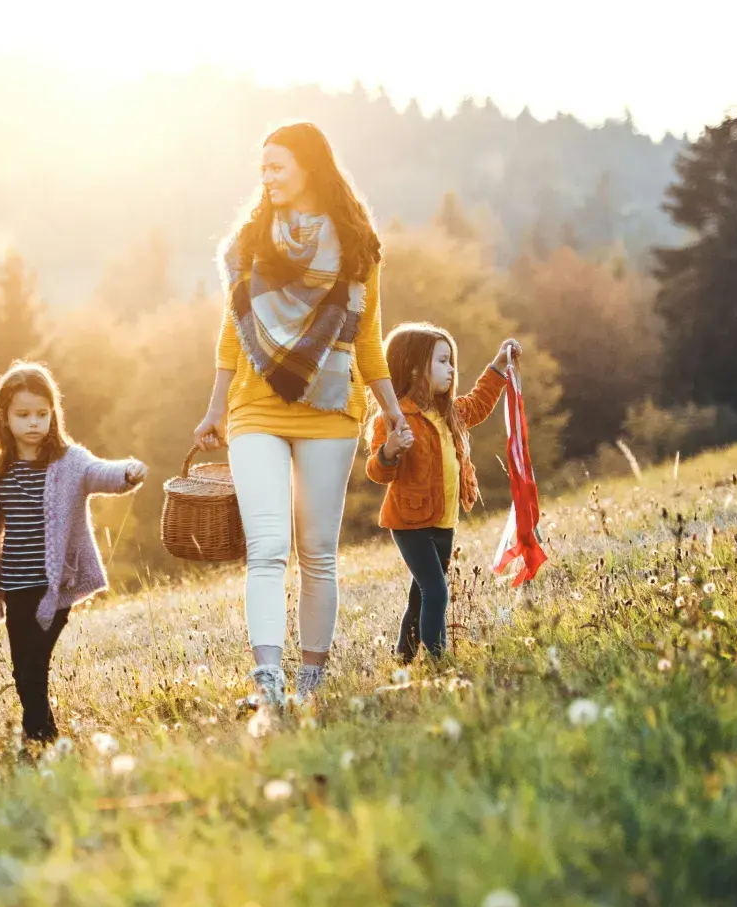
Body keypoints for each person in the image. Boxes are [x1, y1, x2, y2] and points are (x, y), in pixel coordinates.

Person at [192, 122, 412, 707]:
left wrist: (393, 413)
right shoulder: (249, 242)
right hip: (255, 409)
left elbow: (368, 340)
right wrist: (215, 409)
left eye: (277, 167)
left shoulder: (356, 245)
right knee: (267, 548)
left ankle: (312, 683)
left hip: (331, 409)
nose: (266, 178)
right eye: (261, 168)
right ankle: (267, 681)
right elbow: (232, 334)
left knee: (317, 553)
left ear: (309, 167)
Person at [0, 362, 145, 744]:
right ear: (4, 417)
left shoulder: (70, 462)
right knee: (21, 670)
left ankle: (39, 739)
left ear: (53, 414)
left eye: (42, 414)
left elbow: (100, 473)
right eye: (23, 415)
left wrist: (127, 472)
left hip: (52, 589)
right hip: (15, 588)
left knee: (33, 667)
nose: (33, 423)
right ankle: (43, 736)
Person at [366, 325, 521, 661]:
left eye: (451, 361)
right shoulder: (396, 418)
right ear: (414, 368)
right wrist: (389, 451)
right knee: (436, 592)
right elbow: (377, 472)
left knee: (421, 596)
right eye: (442, 361)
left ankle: (403, 658)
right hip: (410, 523)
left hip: (443, 522)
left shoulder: (448, 412)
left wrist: (497, 365)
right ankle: (440, 662)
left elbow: (479, 403)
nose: (452, 369)